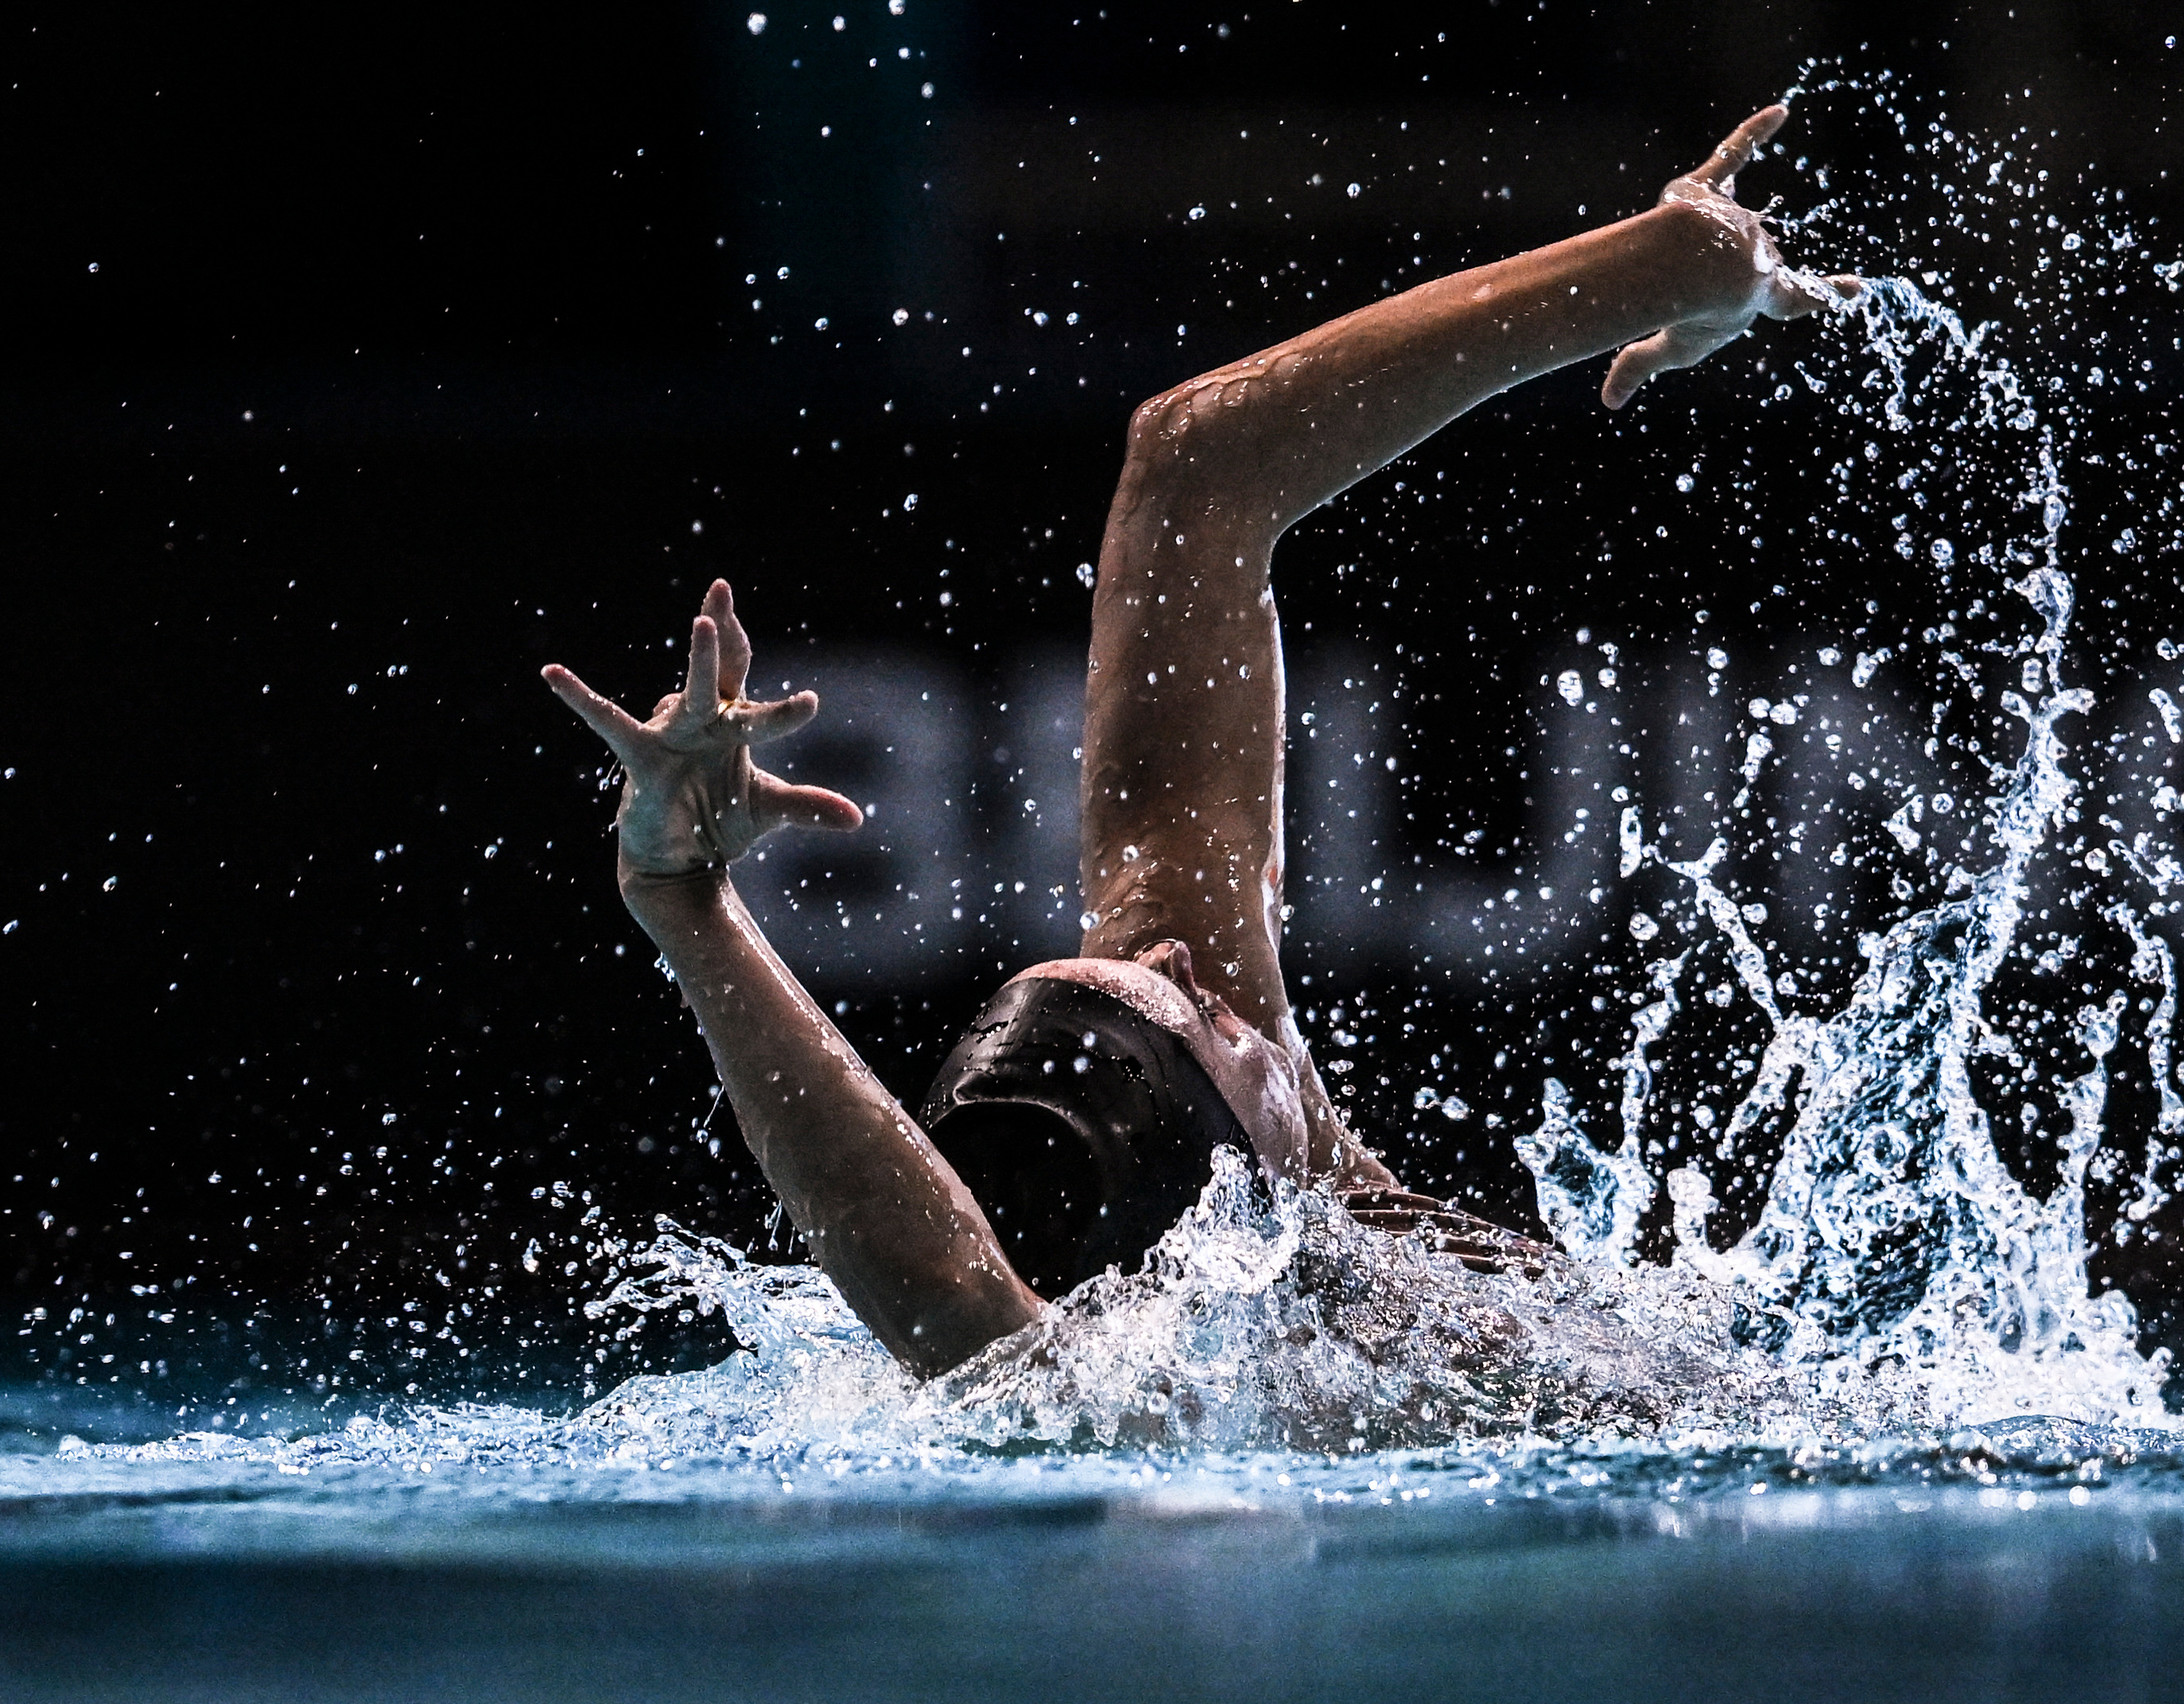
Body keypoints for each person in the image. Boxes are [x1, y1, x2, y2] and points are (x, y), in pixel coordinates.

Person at [543, 106, 1859, 1377]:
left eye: (1142, 966)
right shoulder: (1225, 1395)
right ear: (1223, 1190)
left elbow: (1197, 460)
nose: (1182, 954)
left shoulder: (1255, 1139)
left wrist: (1658, 265)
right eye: (1201, 1014)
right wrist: (684, 909)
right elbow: (950, 1299)